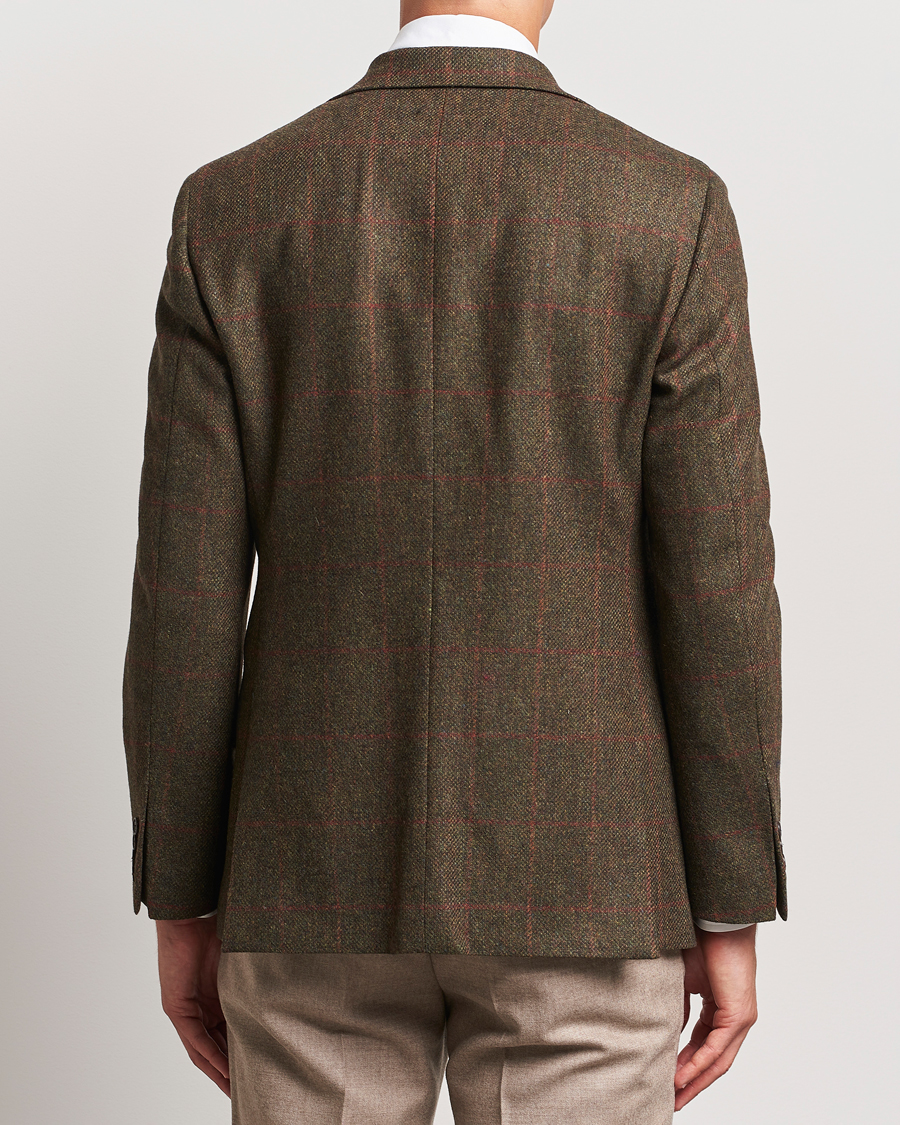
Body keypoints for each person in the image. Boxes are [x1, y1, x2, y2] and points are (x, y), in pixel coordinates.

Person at [123, 1, 787, 1120]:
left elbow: (181, 598)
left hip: (307, 872)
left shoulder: (232, 206)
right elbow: (718, 590)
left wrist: (180, 894)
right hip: (587, 880)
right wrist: (730, 903)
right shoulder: (667, 205)